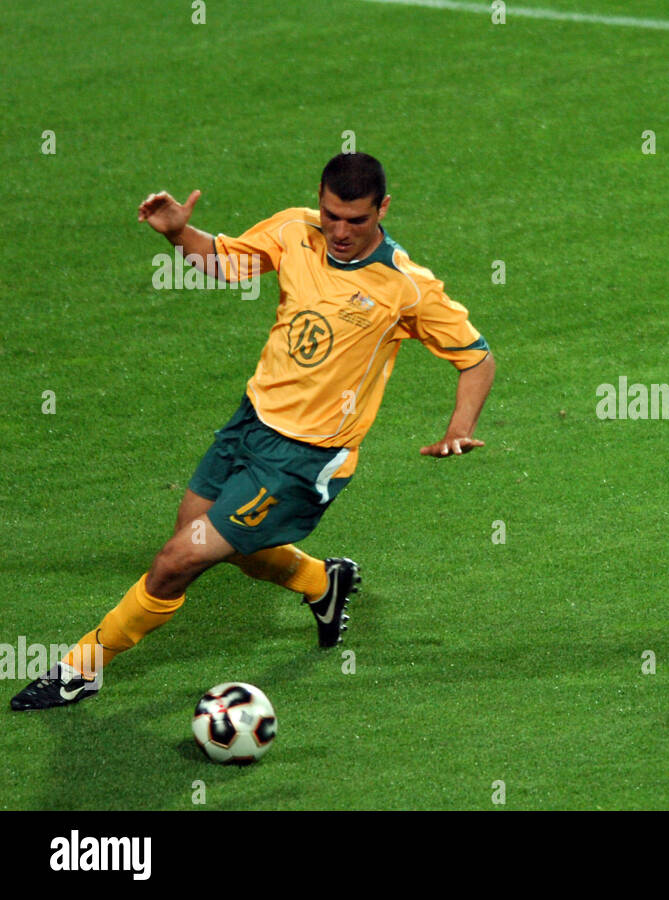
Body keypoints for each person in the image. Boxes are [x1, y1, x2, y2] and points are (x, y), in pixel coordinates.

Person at [12, 152, 495, 709]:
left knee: (177, 560)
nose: (339, 231)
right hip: (251, 419)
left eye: (356, 220)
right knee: (203, 537)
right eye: (331, 214)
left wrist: (459, 428)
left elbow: (476, 358)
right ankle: (322, 584)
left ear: (382, 209)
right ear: (319, 197)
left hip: (304, 457)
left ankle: (82, 667)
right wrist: (178, 234)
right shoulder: (294, 228)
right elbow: (225, 261)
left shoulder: (406, 287)